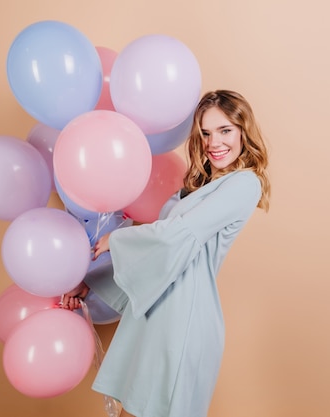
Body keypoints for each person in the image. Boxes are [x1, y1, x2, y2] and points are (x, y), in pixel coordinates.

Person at [61, 90, 271, 417]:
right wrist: (93, 281)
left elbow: (175, 237)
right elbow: (157, 257)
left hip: (185, 319)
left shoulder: (244, 184)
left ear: (244, 130)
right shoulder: (197, 187)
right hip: (157, 311)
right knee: (136, 408)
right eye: (205, 133)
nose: (214, 142)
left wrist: (117, 237)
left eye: (225, 130)